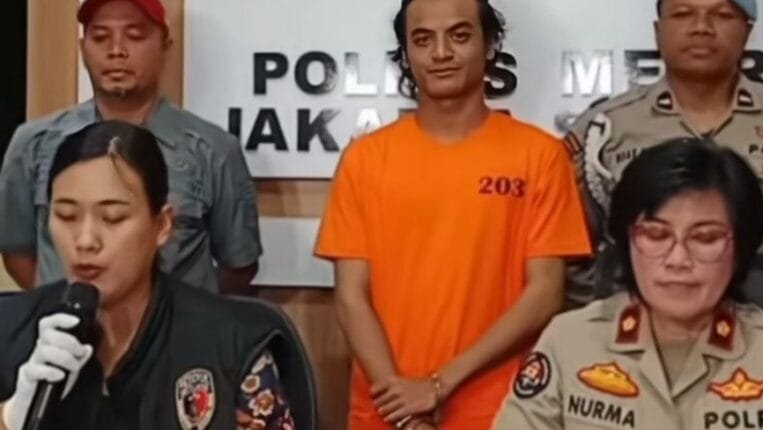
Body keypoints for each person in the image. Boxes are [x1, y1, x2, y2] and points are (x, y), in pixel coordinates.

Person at [315, 0, 591, 428]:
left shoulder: (540, 156)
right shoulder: (365, 159)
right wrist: (404, 408)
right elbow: (352, 297)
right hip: (386, 412)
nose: (441, 53)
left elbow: (544, 294)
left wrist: (438, 385)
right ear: (406, 53)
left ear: (490, 44)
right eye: (422, 40)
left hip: (503, 412)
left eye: (459, 36)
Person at [0, 121, 293, 430]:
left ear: (163, 224)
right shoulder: (8, 328)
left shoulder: (232, 343)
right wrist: (10, 417)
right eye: (66, 216)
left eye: (113, 218)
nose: (85, 240)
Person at [494, 138, 763, 429]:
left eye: (705, 238)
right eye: (656, 235)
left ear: (741, 248)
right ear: (626, 241)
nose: (678, 259)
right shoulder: (569, 341)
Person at [0, 0, 261, 295]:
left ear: (165, 45)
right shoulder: (32, 143)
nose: (116, 50)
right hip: (66, 319)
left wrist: (186, 313)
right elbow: (18, 252)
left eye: (135, 36)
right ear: (83, 48)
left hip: (180, 323)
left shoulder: (214, 150)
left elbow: (238, 266)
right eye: (101, 37)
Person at [565, 0, 763, 323]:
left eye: (722, 15)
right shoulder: (605, 128)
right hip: (636, 335)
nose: (702, 27)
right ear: (657, 31)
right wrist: (602, 324)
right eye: (683, 14)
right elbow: (570, 252)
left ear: (748, 33)